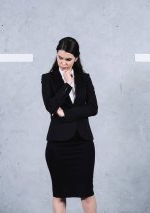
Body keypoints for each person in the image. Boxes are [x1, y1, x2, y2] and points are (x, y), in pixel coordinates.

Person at [41, 37, 98, 213]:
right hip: (58, 144)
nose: (63, 63)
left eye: (68, 59)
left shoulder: (85, 78)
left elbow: (93, 108)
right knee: (59, 194)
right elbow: (50, 106)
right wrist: (66, 84)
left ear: (76, 59)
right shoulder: (48, 78)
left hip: (83, 143)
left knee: (87, 193)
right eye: (60, 58)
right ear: (56, 55)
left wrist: (66, 113)